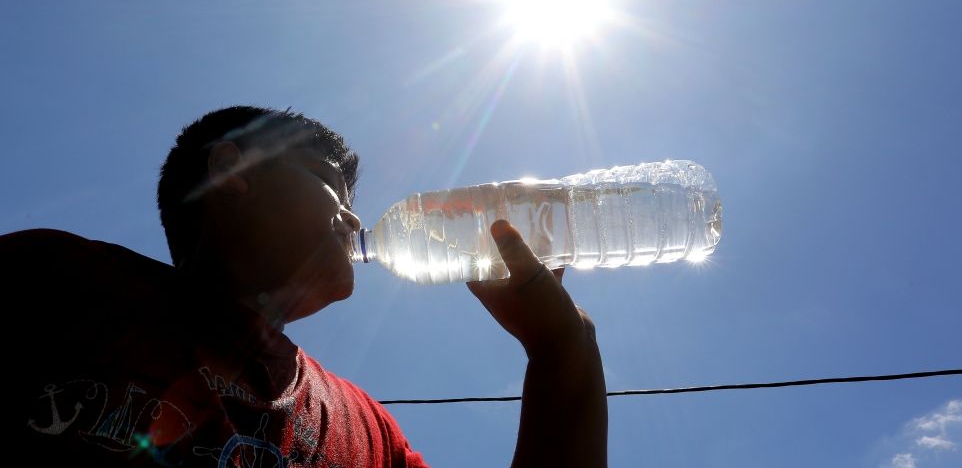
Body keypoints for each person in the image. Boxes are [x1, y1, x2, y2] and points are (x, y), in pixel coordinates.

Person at [0, 105, 607, 467]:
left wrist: (563, 350)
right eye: (328, 184)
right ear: (233, 173)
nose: (353, 220)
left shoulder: (369, 432)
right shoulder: (53, 279)